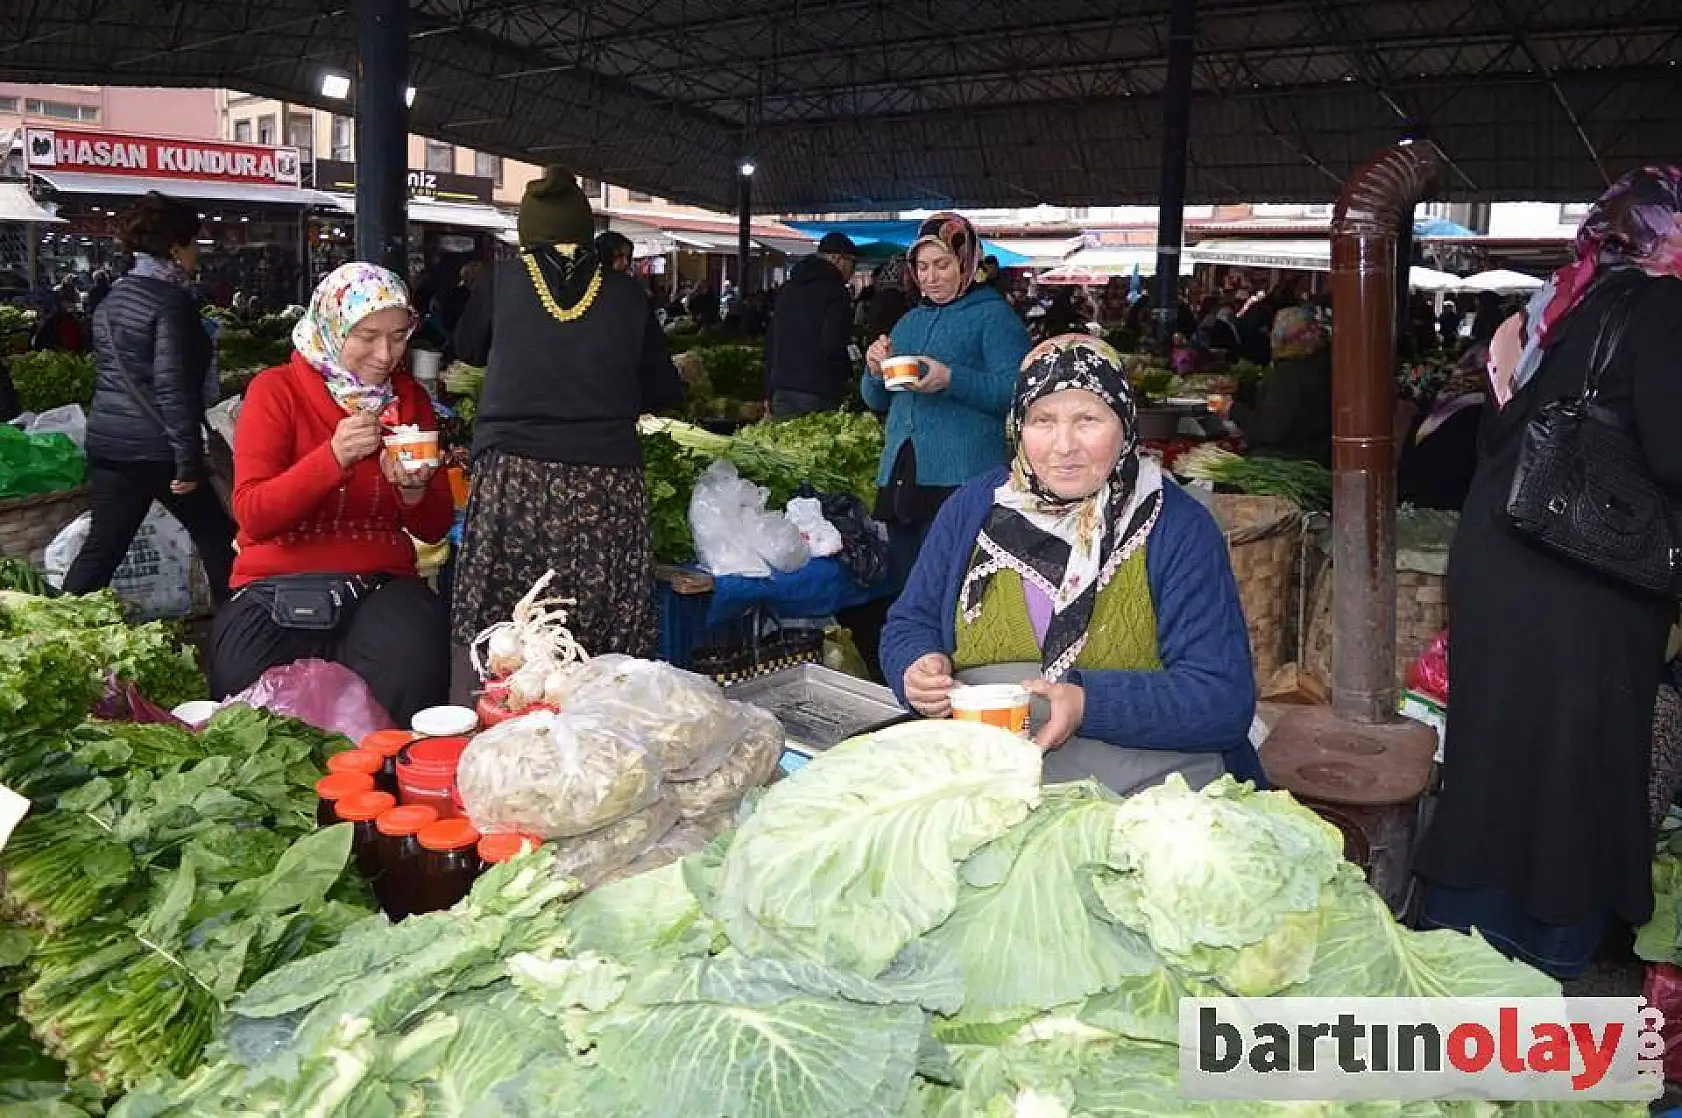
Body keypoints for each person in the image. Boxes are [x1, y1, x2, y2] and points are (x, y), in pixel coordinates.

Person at [1414, 167, 1682, 978]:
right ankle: (1542, 941)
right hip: (1584, 566)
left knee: (1497, 743)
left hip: (1510, 551)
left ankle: (1459, 927)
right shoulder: (1660, 306)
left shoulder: (1558, 303)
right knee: (1574, 749)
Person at [880, 335, 1260, 794]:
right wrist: (915, 665)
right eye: (1042, 420)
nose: (1063, 446)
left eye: (1087, 420)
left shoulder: (1176, 526)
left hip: (1144, 792)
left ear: (1124, 422)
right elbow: (911, 620)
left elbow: (1222, 700)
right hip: (984, 778)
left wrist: (1088, 704)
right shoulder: (974, 508)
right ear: (1019, 425)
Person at [450, 166, 684, 661]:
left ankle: (498, 706)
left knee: (510, 627)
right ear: (585, 230)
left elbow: (467, 349)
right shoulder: (627, 293)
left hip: (513, 480)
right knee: (604, 626)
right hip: (607, 484)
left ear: (527, 232)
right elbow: (664, 389)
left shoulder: (500, 281)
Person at [209, 262, 453, 723]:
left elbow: (435, 526)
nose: (385, 354)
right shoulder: (275, 391)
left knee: (411, 663)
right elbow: (253, 515)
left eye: (398, 336)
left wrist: (415, 491)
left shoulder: (408, 401)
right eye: (367, 336)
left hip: (380, 579)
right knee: (244, 684)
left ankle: (385, 769)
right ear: (331, 327)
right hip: (275, 580)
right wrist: (333, 458)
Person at [64, 192, 236, 603]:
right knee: (219, 538)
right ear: (176, 249)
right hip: (157, 448)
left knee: (103, 547)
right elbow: (172, 386)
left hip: (109, 444)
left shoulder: (113, 298)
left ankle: (57, 617)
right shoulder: (171, 303)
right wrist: (187, 461)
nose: (197, 255)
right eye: (194, 244)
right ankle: (240, 627)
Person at [862, 212, 1033, 587]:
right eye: (922, 267)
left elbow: (1018, 391)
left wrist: (950, 380)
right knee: (906, 587)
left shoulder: (994, 317)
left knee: (949, 588)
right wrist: (874, 371)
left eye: (942, 265)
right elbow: (877, 399)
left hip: (962, 478)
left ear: (966, 262)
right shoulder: (909, 321)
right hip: (903, 475)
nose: (930, 277)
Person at [1212, 305, 1333, 466]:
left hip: (1290, 459)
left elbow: (1268, 431)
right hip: (1317, 453)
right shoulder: (1321, 362)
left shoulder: (1288, 373)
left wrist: (1232, 409)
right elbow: (1283, 404)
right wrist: (1242, 389)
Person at [763, 231, 857, 417]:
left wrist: (768, 390)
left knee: (783, 436)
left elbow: (771, 341)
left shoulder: (787, 289)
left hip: (782, 387)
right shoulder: (836, 293)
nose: (852, 271)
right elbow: (833, 343)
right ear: (838, 259)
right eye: (852, 263)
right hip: (818, 390)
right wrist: (846, 374)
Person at [866, 252, 912, 339]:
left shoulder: (882, 294)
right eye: (909, 272)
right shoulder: (894, 298)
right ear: (900, 272)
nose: (912, 276)